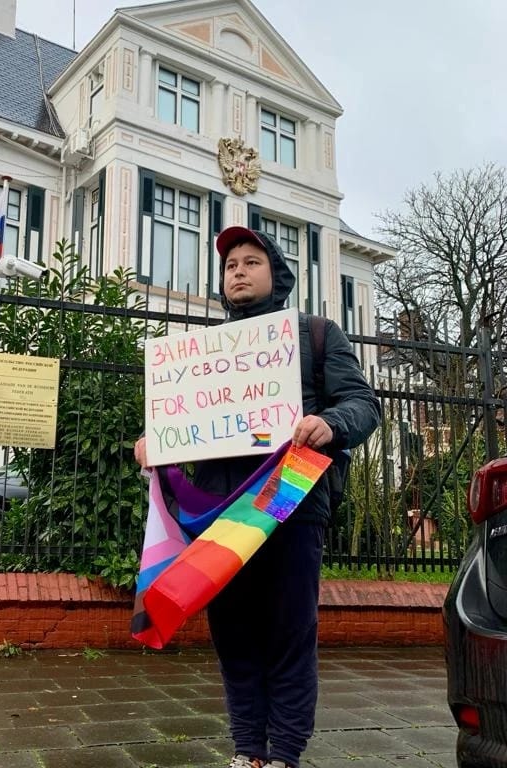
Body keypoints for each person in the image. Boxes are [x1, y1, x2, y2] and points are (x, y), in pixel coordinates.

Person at [134, 226, 380, 768]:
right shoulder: (201, 354)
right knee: (234, 634)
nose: (238, 271)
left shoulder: (316, 334)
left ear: (278, 275)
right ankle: (250, 752)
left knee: (290, 632)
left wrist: (330, 423)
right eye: (230, 266)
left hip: (289, 503)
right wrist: (155, 442)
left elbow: (364, 405)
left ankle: (286, 753)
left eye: (251, 261)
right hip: (219, 514)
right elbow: (178, 424)